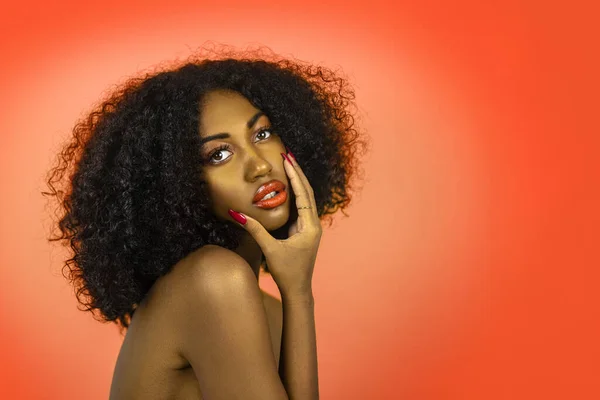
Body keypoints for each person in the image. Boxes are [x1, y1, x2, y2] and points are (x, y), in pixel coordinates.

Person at [44, 45, 367, 399]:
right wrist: (299, 294)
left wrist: (298, 291)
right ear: (175, 184)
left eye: (262, 134)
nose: (259, 166)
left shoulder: (268, 310)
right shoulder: (213, 280)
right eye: (219, 154)